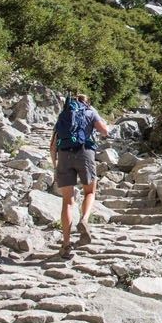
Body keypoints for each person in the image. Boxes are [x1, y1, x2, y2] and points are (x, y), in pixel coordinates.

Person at [49, 93, 109, 257]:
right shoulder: (90, 111)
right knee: (90, 191)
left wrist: (55, 166)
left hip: (64, 155)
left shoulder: (63, 115)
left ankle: (66, 244)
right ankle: (84, 219)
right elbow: (104, 131)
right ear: (86, 101)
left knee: (67, 201)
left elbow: (52, 145)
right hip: (85, 153)